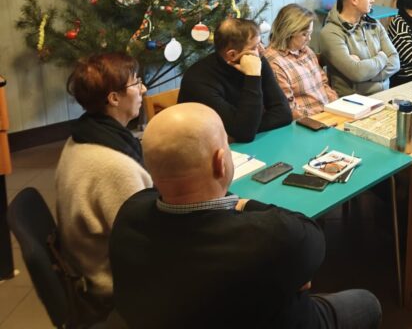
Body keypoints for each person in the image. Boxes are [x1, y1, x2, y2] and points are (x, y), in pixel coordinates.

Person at [109, 103, 382, 329]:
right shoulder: (273, 237)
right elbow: (308, 237)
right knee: (367, 302)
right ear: (220, 161)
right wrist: (242, 204)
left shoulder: (129, 214)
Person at [55, 53, 151, 306]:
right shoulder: (114, 167)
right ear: (114, 98)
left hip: (89, 264)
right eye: (135, 83)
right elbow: (147, 245)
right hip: (113, 286)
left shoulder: (82, 135)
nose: (144, 88)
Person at [178, 17, 291, 143]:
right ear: (232, 55)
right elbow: (245, 133)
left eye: (260, 43)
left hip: (238, 145)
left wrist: (245, 129)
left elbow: (284, 113)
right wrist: (252, 76)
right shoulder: (198, 80)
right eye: (254, 47)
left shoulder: (257, 59)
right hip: (200, 148)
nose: (262, 50)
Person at [319, 0, 399, 96]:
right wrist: (382, 57)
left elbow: (395, 61)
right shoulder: (331, 32)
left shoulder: (374, 24)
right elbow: (356, 73)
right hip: (354, 102)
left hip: (385, 94)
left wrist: (367, 75)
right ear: (354, 0)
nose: (373, 0)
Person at [264, 3, 338, 118]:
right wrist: (323, 113)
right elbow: (290, 109)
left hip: (328, 113)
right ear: (288, 33)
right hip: (308, 122)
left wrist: (335, 105)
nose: (309, 39)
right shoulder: (274, 63)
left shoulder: (305, 51)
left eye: (310, 33)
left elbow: (323, 83)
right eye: (304, 34)